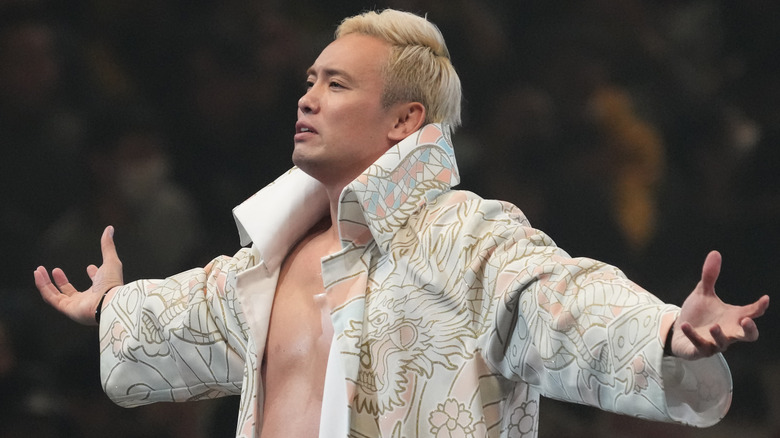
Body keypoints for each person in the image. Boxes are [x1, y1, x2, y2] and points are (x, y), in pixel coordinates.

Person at [34, 8, 769, 438]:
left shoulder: (460, 235)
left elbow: (556, 297)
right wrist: (108, 307)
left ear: (404, 121)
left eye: (337, 83)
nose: (309, 97)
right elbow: (175, 320)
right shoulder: (261, 265)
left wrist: (666, 332)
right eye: (309, 80)